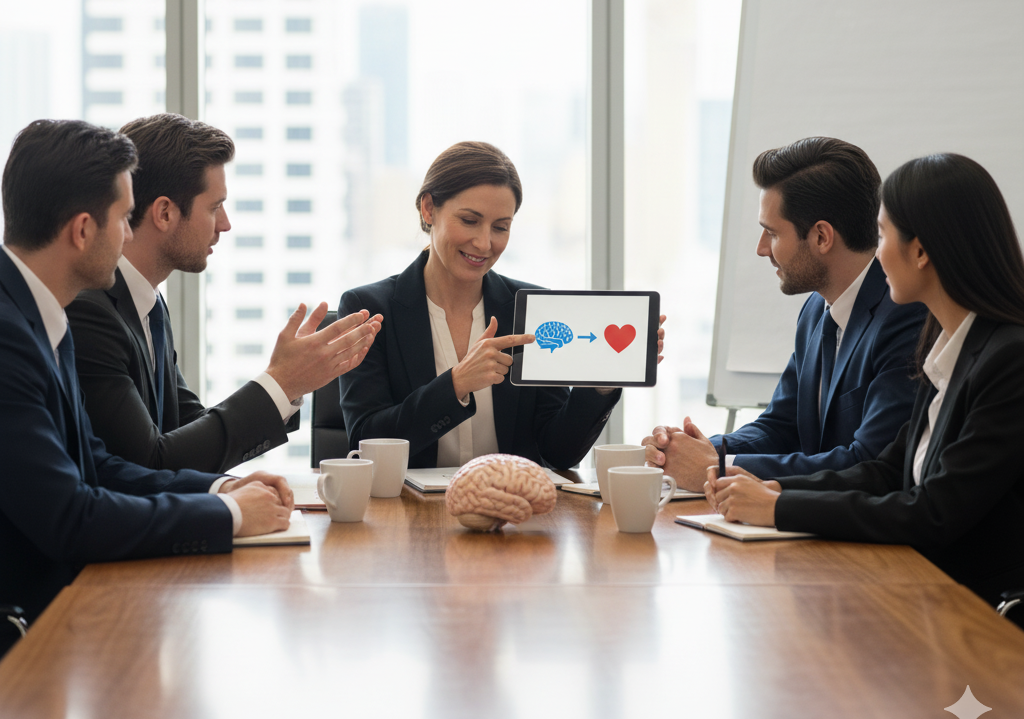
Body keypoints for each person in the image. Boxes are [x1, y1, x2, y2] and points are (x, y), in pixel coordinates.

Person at [0, 120, 293, 656]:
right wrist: (227, 516)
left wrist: (220, 491)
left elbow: (97, 465)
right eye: (121, 220)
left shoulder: (46, 316)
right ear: (83, 230)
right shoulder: (10, 333)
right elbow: (70, 516)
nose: (130, 235)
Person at [707, 153, 1024, 608]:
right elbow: (887, 471)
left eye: (881, 235)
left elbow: (932, 511)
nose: (874, 253)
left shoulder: (1008, 358)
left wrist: (779, 508)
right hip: (921, 591)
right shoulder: (945, 342)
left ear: (920, 251)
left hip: (981, 612)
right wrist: (776, 489)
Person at [66, 114, 381, 473]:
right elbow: (149, 462)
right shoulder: (90, 312)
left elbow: (188, 431)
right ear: (165, 213)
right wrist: (281, 381)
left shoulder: (149, 307)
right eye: (215, 207)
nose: (225, 224)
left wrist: (289, 385)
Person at [337, 141, 665, 470]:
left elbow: (558, 453)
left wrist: (600, 382)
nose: (484, 243)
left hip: (514, 509)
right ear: (428, 208)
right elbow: (367, 442)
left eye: (500, 227)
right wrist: (456, 384)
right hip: (408, 511)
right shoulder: (368, 310)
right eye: (469, 220)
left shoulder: (532, 310)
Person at [644, 137, 926, 490]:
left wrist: (718, 465)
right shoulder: (815, 310)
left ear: (822, 237)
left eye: (772, 233)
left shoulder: (906, 315)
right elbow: (781, 426)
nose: (762, 249)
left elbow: (868, 461)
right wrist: (693, 451)